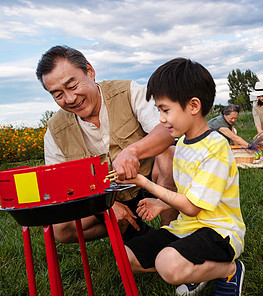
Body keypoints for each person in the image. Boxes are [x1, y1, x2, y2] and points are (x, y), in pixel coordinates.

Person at [121, 58, 246, 296]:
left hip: (219, 231)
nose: (161, 118)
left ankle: (230, 270)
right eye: (159, 110)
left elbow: (192, 206)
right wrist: (162, 204)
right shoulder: (182, 145)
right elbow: (191, 193)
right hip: (188, 228)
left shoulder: (215, 147)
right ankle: (199, 271)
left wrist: (146, 184)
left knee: (167, 264)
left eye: (165, 109)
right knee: (126, 257)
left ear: (194, 106)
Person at [36, 45, 178, 244]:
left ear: (90, 71)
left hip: (148, 181)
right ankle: (126, 229)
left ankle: (174, 237)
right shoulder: (55, 130)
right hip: (105, 198)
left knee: (169, 155)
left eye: (72, 85)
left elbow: (167, 131)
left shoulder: (128, 91)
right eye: (57, 94)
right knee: (61, 230)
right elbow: (59, 188)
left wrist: (132, 151)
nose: (70, 99)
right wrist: (101, 206)